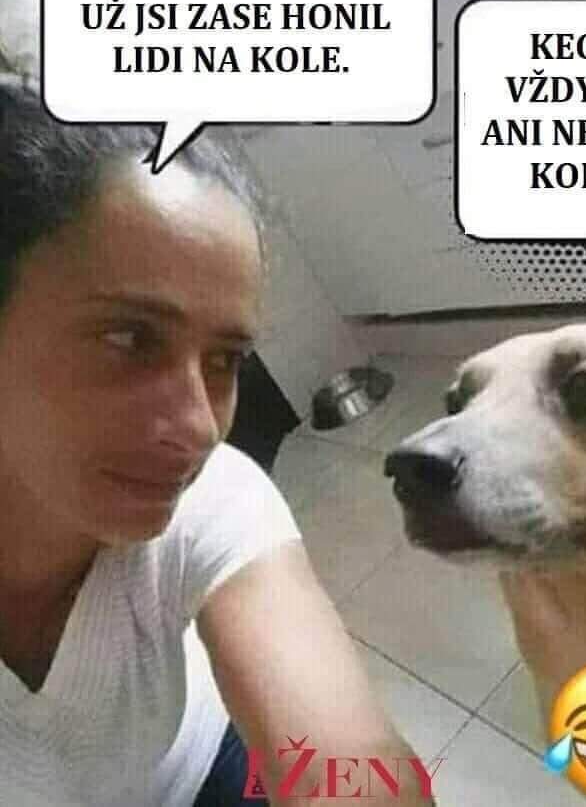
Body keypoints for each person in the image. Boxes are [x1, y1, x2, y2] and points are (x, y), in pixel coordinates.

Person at [0, 77, 436, 806]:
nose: (202, 427)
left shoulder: (211, 498)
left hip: (210, 769)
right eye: (129, 338)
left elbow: (356, 767)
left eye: (225, 361)